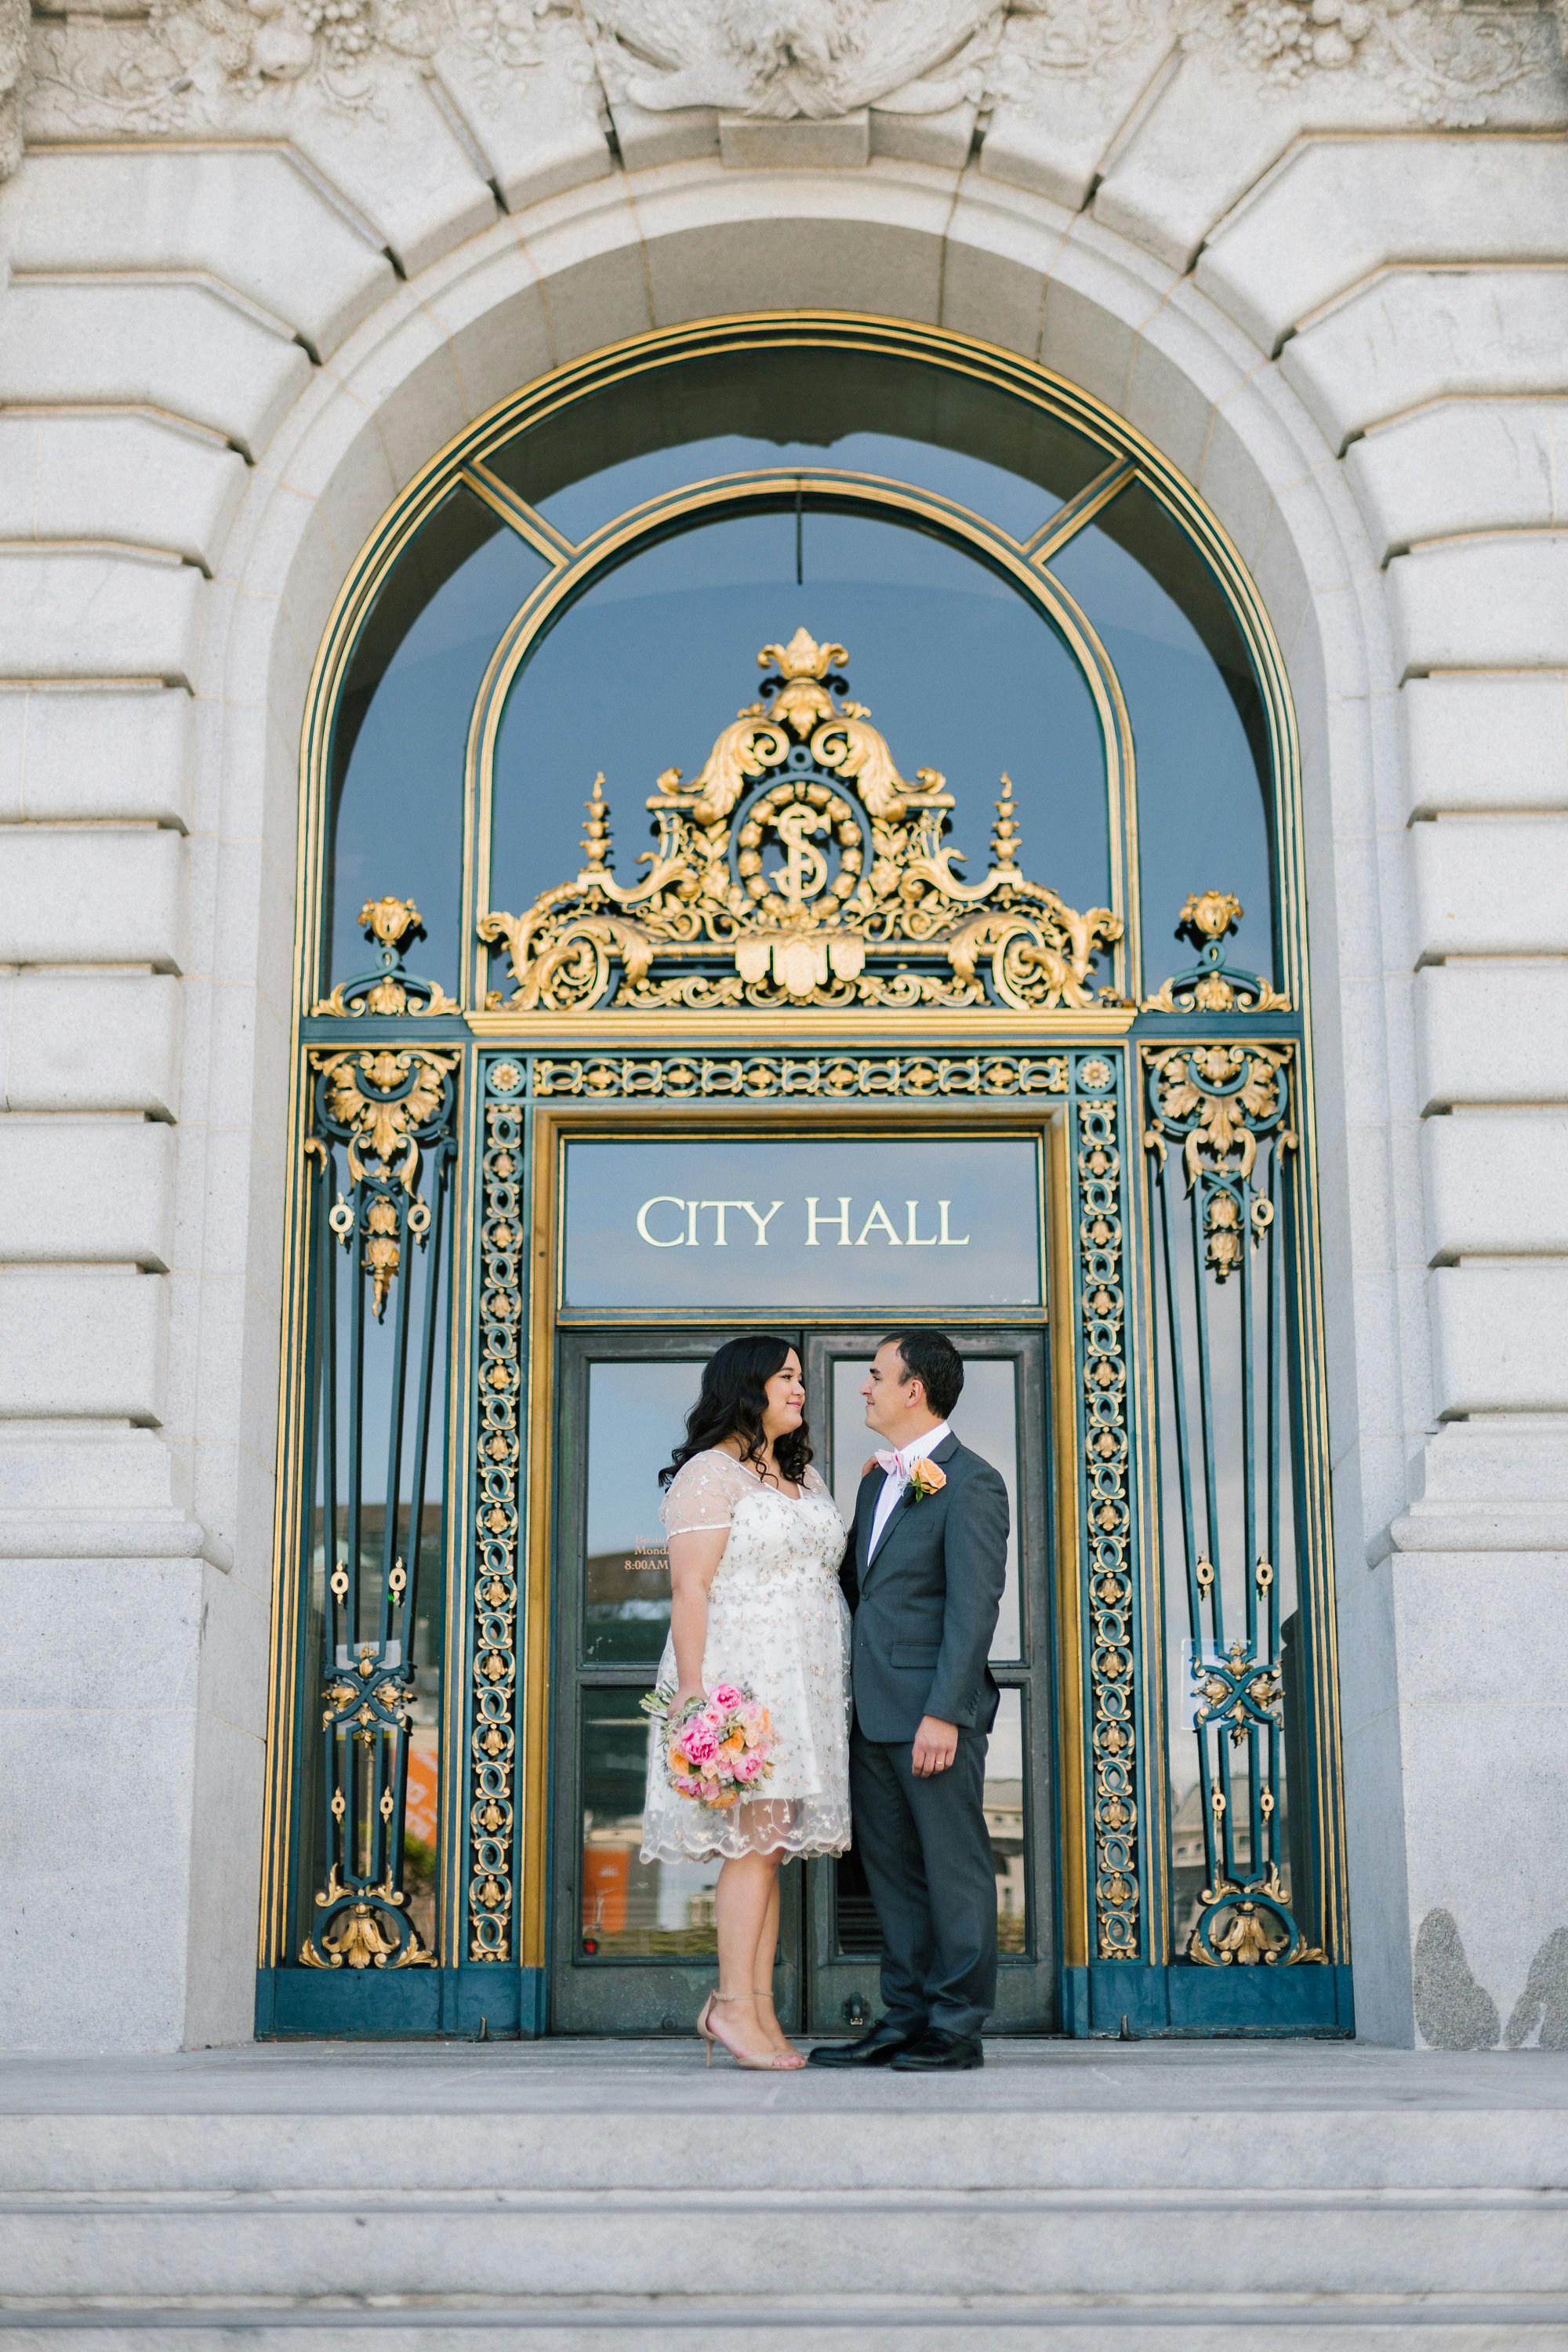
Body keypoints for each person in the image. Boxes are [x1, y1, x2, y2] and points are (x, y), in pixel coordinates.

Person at [643, 1334, 851, 2069]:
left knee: (773, 1848)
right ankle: (731, 2007)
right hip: (745, 1678)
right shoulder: (710, 1474)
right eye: (786, 1377)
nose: (800, 1388)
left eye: (799, 1378)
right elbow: (689, 1588)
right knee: (755, 1846)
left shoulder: (807, 1478)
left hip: (807, 1683)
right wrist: (696, 1696)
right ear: (747, 1385)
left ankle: (756, 2011)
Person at [810, 1328, 1008, 2074]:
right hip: (870, 1715)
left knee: (952, 1872)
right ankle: (905, 2018)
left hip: (932, 1717)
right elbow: (862, 1590)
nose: (864, 1386)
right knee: (892, 1876)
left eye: (875, 1374)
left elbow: (973, 1609)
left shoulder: (975, 1482)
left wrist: (943, 1713)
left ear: (913, 1390)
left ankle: (956, 2027)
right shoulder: (875, 1480)